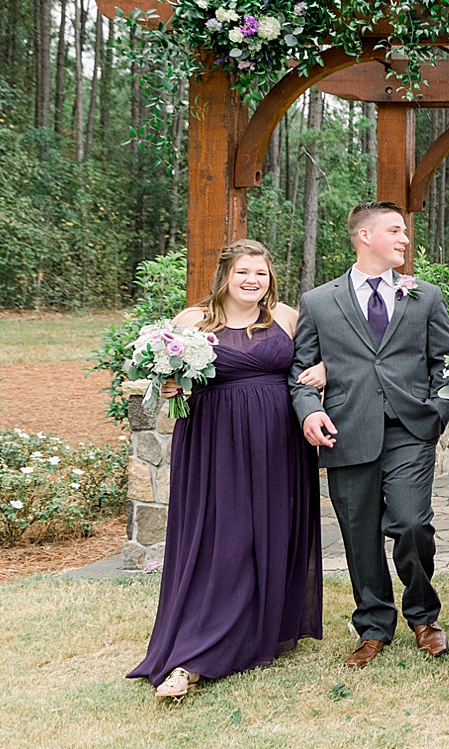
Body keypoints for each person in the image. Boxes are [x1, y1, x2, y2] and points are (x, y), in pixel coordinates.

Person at [129, 239, 323, 698]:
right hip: (217, 443)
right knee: (223, 539)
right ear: (225, 276)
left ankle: (262, 628)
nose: (253, 281)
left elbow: (318, 363)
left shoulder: (288, 318)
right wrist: (170, 381)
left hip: (279, 442)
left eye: (261, 273)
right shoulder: (192, 322)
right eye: (243, 273)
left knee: (271, 532)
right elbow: (153, 373)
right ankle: (194, 655)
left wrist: (325, 372)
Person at [290, 201, 449, 668]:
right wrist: (308, 413)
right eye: (396, 231)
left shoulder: (425, 295)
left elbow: (443, 363)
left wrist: (439, 409)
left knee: (410, 523)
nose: (405, 239)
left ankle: (424, 616)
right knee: (359, 534)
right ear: (365, 236)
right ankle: (373, 627)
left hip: (410, 430)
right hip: (346, 431)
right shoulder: (319, 301)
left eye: (405, 232)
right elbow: (302, 371)